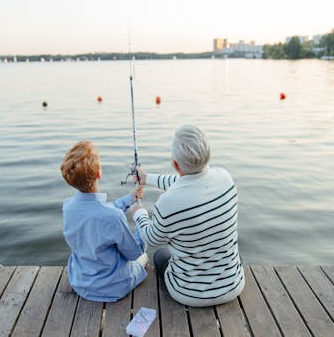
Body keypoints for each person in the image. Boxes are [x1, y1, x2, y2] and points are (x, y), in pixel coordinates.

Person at [132, 125, 244, 307]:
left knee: (161, 254)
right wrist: (148, 178)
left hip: (189, 294)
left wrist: (140, 215)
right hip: (233, 286)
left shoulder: (168, 202)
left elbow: (151, 239)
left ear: (175, 164)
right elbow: (187, 181)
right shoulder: (225, 178)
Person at [60, 140, 148, 302]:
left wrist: (129, 199)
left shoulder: (68, 208)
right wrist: (142, 222)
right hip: (113, 287)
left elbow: (97, 213)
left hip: (81, 283)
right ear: (98, 174)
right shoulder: (113, 216)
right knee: (144, 257)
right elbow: (133, 253)